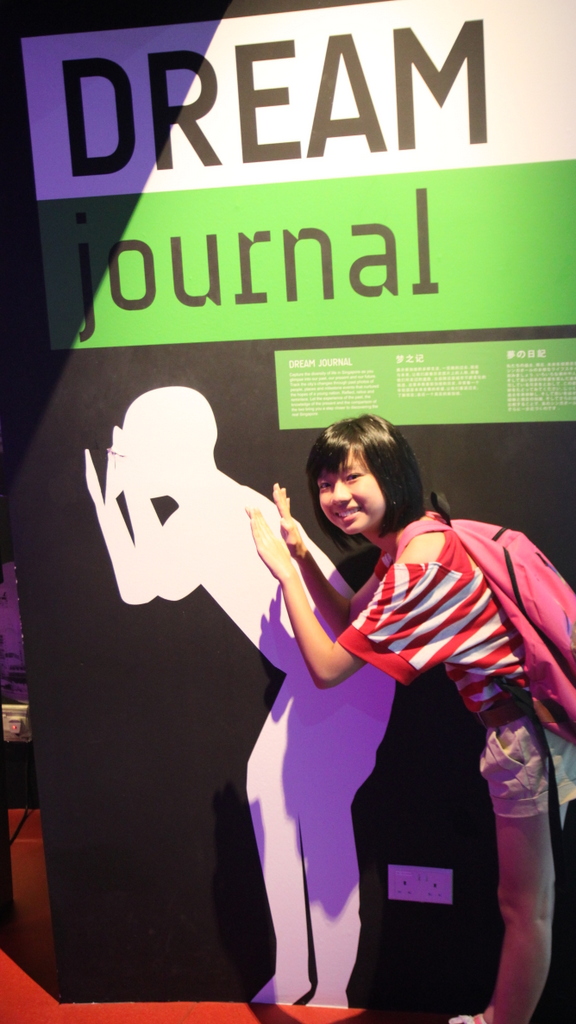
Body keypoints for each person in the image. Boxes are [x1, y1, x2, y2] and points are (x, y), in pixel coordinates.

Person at [247, 414, 576, 1024]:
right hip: (526, 732)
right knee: (525, 904)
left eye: (351, 477)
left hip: (530, 737)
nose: (336, 496)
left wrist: (282, 571)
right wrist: (303, 556)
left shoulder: (417, 568)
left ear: (391, 473)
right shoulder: (416, 541)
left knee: (526, 909)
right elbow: (351, 620)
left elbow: (329, 667)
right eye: (325, 484)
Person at [85, 387, 395, 1007]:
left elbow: (139, 581)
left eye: (138, 445)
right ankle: (303, 974)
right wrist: (126, 497)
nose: (131, 455)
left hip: (341, 680)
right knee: (276, 799)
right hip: (323, 680)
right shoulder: (219, 502)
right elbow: (152, 576)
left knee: (315, 815)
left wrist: (111, 499)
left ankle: (326, 983)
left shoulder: (209, 510)